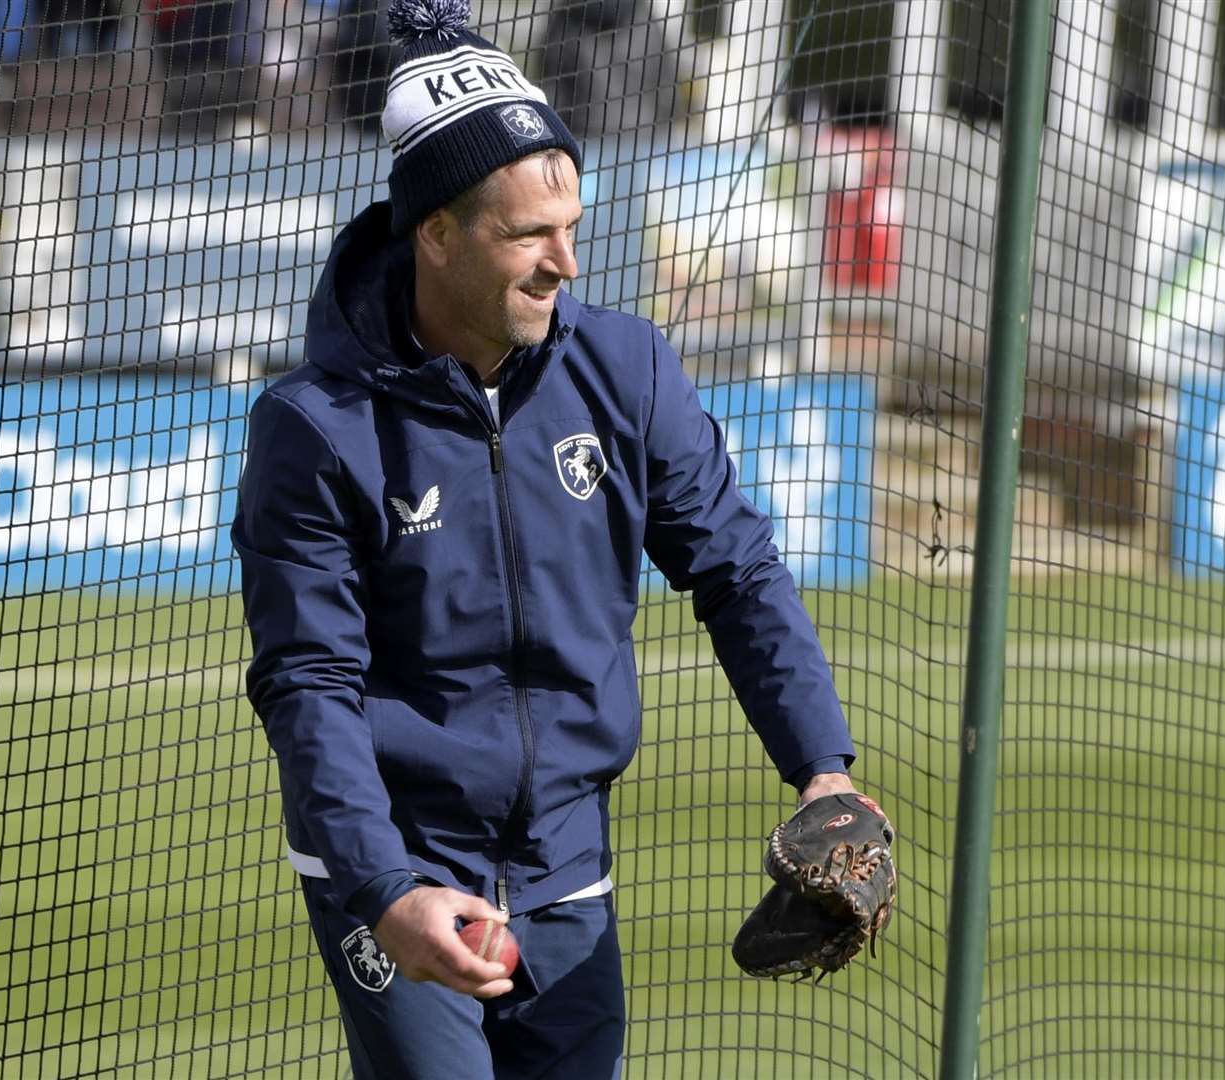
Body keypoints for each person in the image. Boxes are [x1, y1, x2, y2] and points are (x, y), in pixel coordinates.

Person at [233, 2, 871, 1076]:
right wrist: (384, 892)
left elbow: (737, 569)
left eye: (572, 224)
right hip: (402, 863)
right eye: (530, 233)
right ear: (435, 231)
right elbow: (310, 682)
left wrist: (824, 771)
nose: (566, 262)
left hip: (569, 862)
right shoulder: (313, 426)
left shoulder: (626, 369)